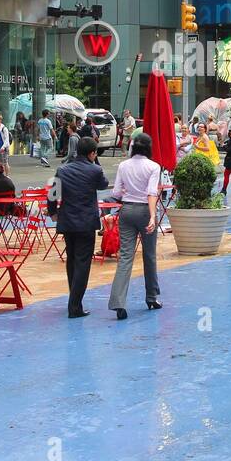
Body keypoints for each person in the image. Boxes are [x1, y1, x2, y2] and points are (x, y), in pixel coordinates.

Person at [108, 132, 163, 320]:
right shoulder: (154, 167)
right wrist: (153, 216)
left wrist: (128, 191)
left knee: (125, 256)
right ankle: (151, 297)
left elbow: (116, 192)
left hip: (127, 211)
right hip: (145, 211)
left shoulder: (123, 166)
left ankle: (118, 303)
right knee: (149, 255)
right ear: (149, 148)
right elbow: (151, 193)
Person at [53, 136, 108, 318]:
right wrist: (96, 165)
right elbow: (104, 184)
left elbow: (53, 193)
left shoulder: (62, 169)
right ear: (92, 153)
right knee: (83, 263)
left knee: (72, 260)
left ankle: (74, 299)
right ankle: (74, 305)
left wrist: (53, 212)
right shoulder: (95, 170)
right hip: (85, 222)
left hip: (67, 220)